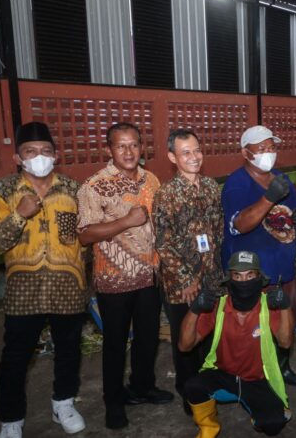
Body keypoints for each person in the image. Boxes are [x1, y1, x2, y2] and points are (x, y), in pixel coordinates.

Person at [0, 122, 87, 438]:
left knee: (69, 349)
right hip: (23, 289)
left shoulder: (73, 190)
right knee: (16, 357)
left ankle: (63, 403)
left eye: (45, 151)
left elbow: (84, 237)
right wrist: (19, 214)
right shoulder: (4, 193)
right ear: (18, 158)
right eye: (30, 151)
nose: (39, 157)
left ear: (55, 155)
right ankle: (11, 420)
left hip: (67, 285)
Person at [77, 122, 172, 429]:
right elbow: (85, 235)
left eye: (133, 145)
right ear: (109, 149)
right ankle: (114, 401)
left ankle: (142, 387)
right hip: (114, 280)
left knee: (148, 337)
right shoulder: (93, 186)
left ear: (141, 147)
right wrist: (125, 222)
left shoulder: (151, 179)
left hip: (149, 276)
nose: (128, 152)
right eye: (121, 146)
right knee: (115, 344)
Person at [221, 125, 296, 386]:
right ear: (245, 153)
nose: (268, 153)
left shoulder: (280, 177)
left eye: (271, 148)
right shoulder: (237, 184)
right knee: (255, 328)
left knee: (285, 323)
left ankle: (282, 369)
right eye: (261, 149)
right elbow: (240, 224)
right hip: (254, 274)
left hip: (283, 268)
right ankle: (255, 375)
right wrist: (268, 198)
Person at [179, 251, 294, 437]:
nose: (244, 281)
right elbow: (184, 346)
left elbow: (286, 342)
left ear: (259, 278)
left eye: (250, 275)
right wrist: (195, 309)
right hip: (223, 375)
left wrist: (285, 307)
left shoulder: (268, 305)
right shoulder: (218, 306)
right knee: (193, 386)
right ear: (229, 280)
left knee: (273, 425)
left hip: (257, 379)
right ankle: (208, 427)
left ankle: (257, 411)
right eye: (237, 276)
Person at [153, 129, 225, 414]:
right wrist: (186, 279)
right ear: (172, 157)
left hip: (211, 278)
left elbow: (218, 230)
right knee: (185, 341)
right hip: (181, 284)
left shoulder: (210, 186)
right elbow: (163, 242)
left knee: (209, 336)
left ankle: (208, 386)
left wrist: (216, 273)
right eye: (186, 152)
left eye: (196, 150)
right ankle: (189, 393)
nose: (194, 157)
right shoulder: (166, 194)